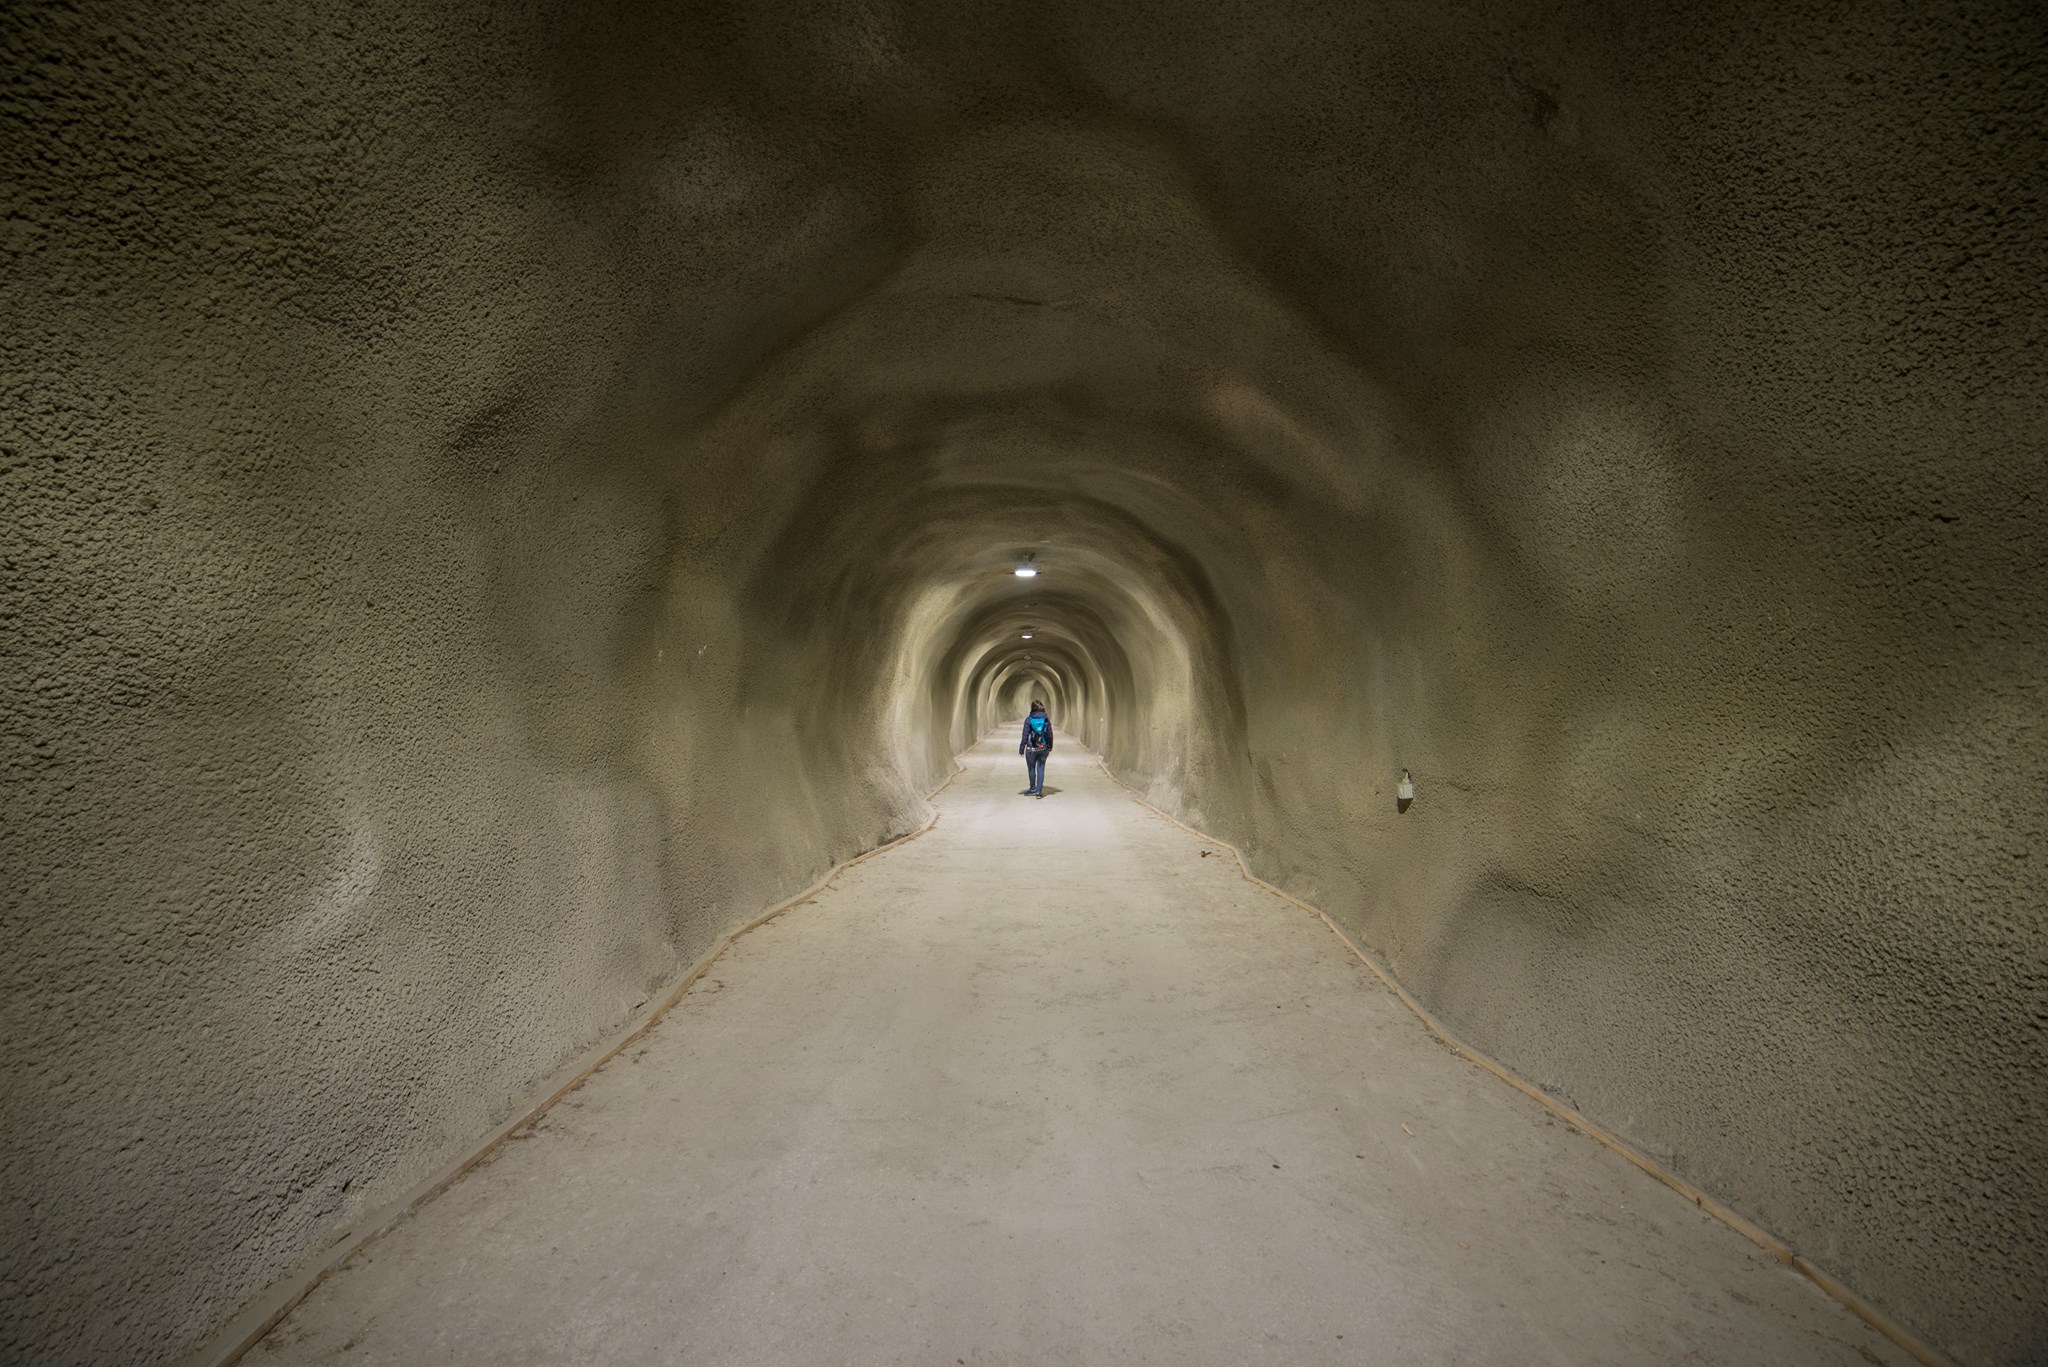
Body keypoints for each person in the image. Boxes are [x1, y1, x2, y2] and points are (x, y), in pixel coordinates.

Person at [1019, 700, 1052, 797]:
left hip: (1031, 749)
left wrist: (1021, 748)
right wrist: (1050, 746)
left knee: (1031, 768)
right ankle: (1038, 792)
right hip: (1043, 748)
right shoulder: (1046, 719)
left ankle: (1032, 788)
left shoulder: (1028, 719)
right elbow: (1049, 734)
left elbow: (1025, 736)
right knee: (1041, 768)